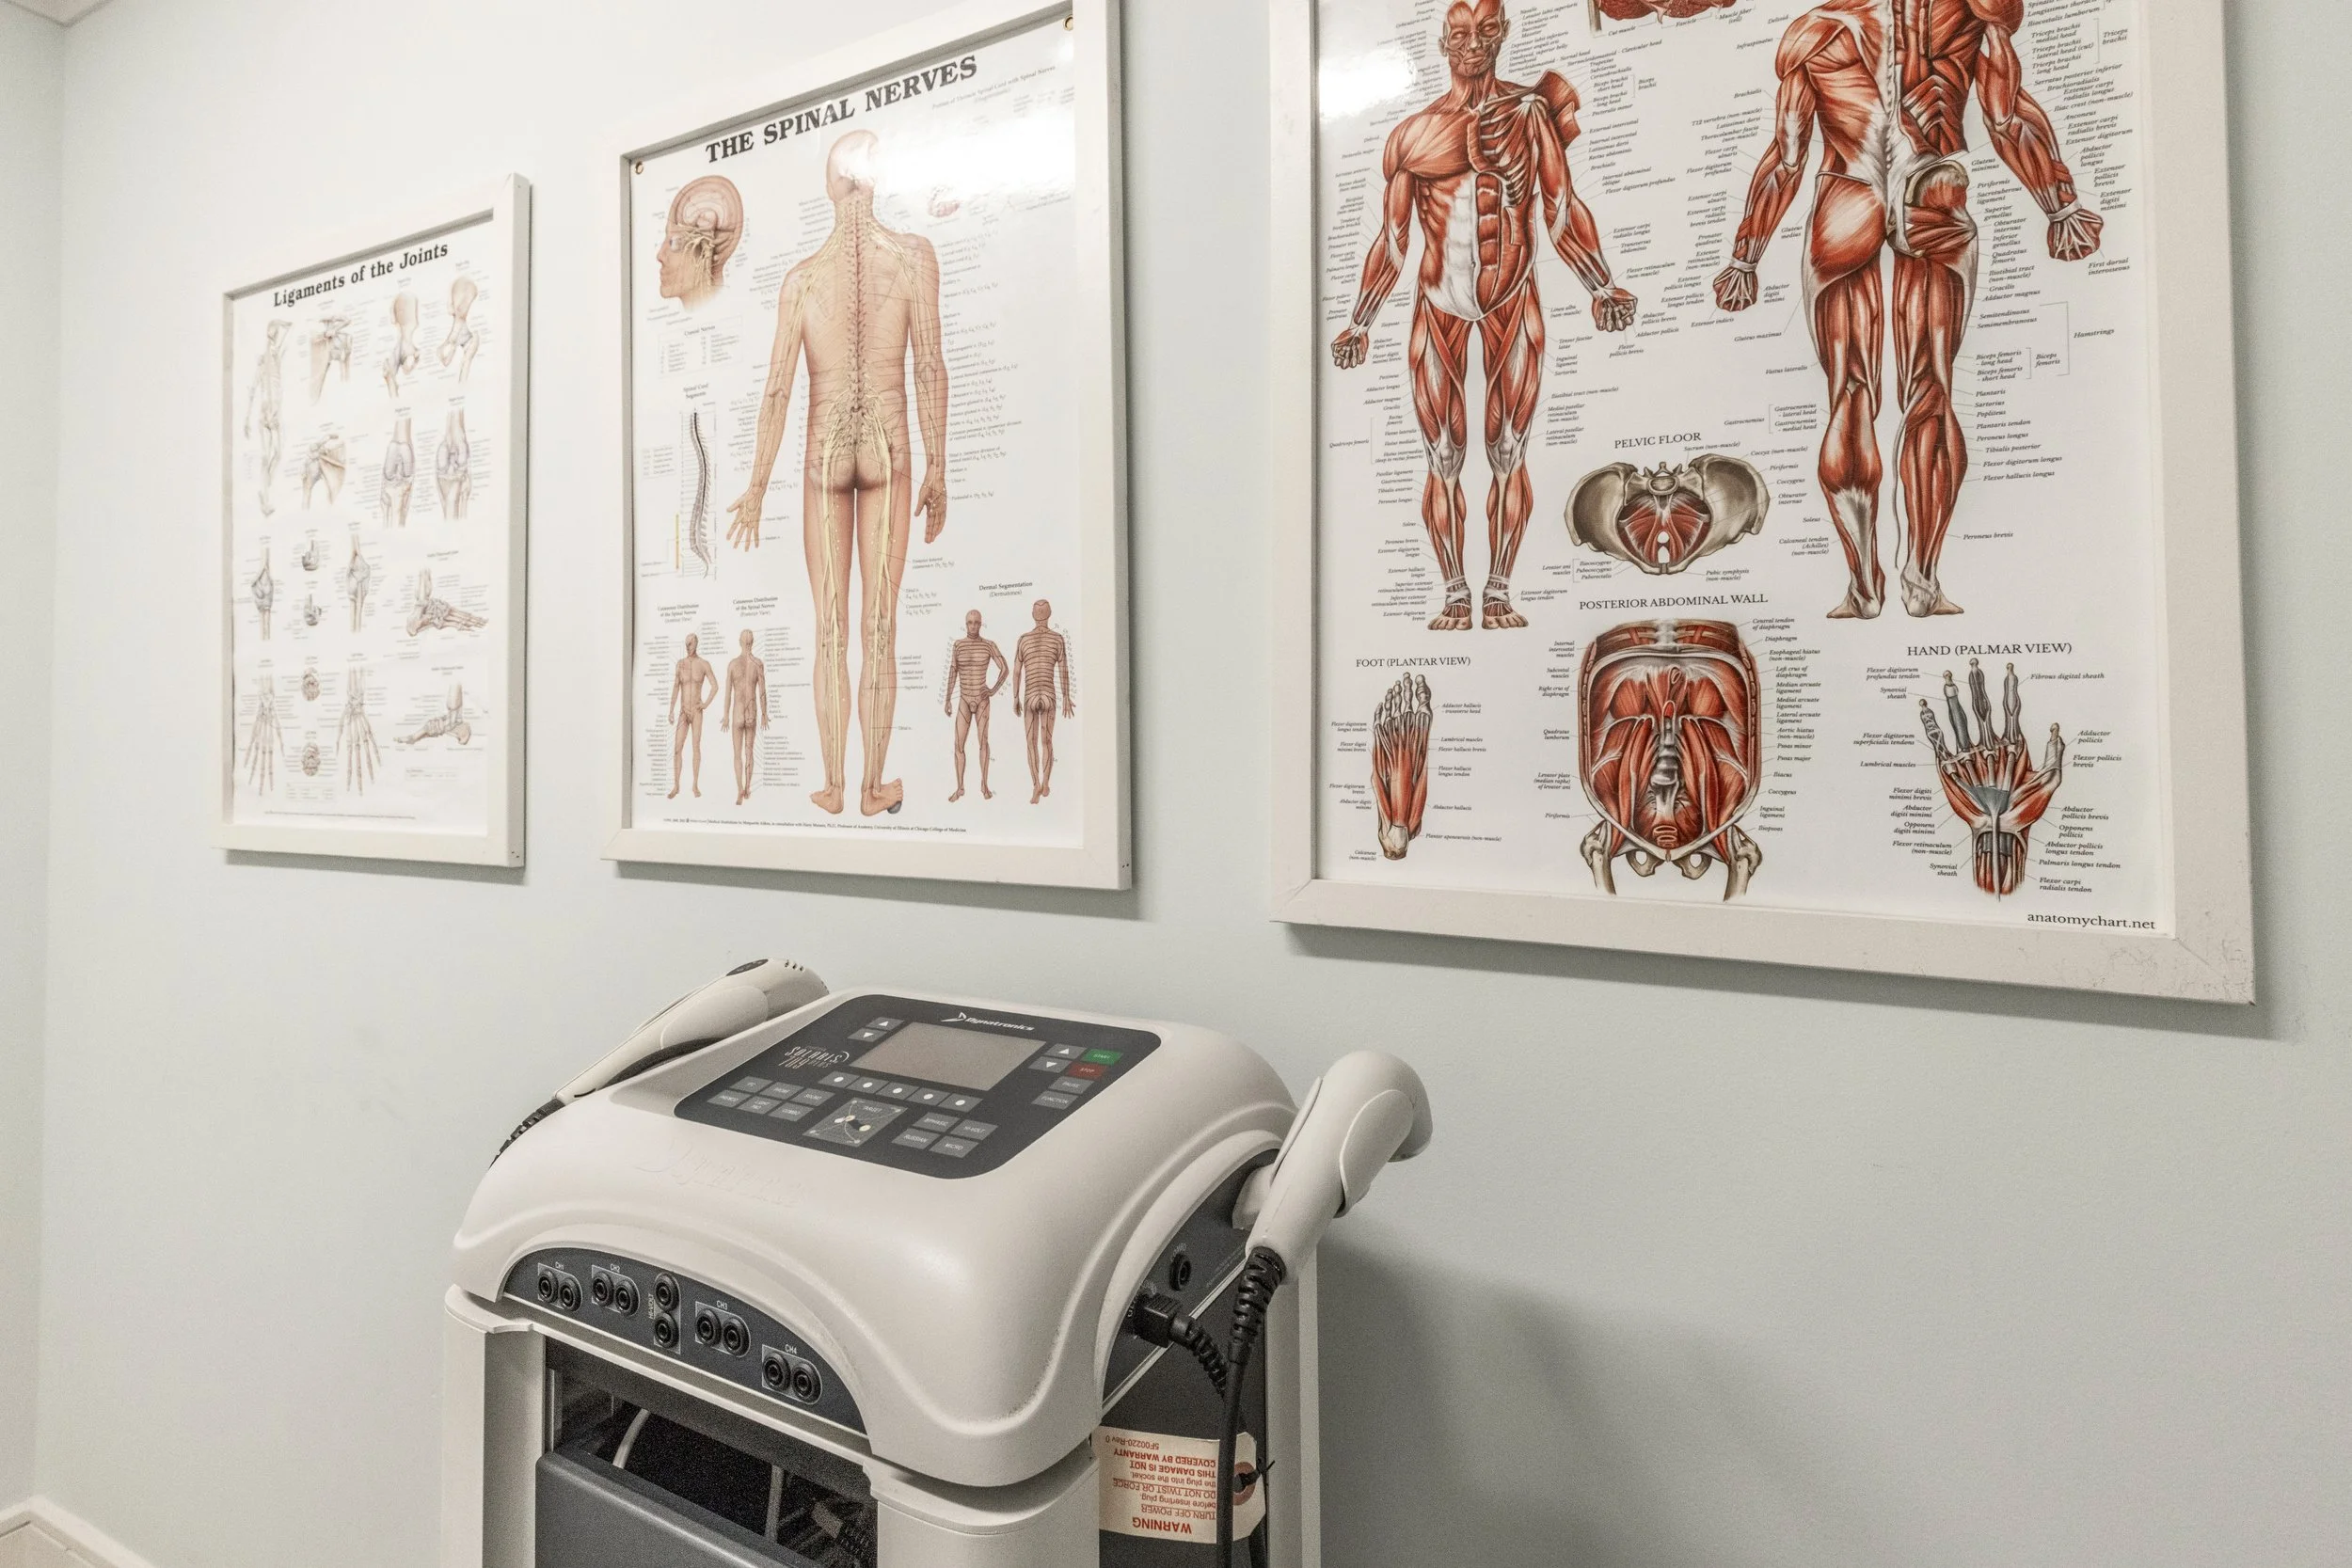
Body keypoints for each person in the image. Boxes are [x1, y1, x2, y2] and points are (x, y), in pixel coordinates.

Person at [1713, 0, 2102, 618]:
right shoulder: (1973, 15)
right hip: (1931, 194)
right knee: (1933, 389)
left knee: (1850, 393)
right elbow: (2006, 119)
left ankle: (1865, 585)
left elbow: (1787, 160)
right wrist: (2059, 205)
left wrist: (1745, 256)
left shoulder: (1820, 30)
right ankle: (1920, 580)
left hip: (1849, 204)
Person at [1332, 0, 1636, 631]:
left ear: (1504, 35)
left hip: (1512, 294)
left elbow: (1559, 208)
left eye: (1487, 31)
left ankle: (1497, 588)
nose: (1474, 44)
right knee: (1443, 454)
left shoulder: (1531, 116)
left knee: (1507, 449)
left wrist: (1600, 285)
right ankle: (1452, 591)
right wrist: (1360, 320)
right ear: (1444, 41)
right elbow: (1392, 241)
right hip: (1439, 300)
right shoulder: (1413, 135)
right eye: (1462, 33)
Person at [728, 131, 948, 817]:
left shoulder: (803, 279)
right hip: (888, 445)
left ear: (830, 187)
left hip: (826, 449)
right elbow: (928, 365)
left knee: (832, 627)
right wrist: (939, 461)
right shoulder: (913, 258)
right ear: (875, 182)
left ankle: (829, 782)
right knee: (879, 624)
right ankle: (873, 786)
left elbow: (776, 392)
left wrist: (757, 486)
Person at [1010, 600, 1074, 804]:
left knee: (1031, 743)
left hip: (1030, 695)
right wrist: (1066, 697)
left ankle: (1036, 785)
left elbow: (1018, 671)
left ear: (1032, 615)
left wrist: (1015, 697)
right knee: (1046, 741)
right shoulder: (1057, 639)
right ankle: (1046, 783)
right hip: (1048, 694)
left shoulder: (1023, 639)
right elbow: (1063, 670)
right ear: (1050, 614)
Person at [942, 610, 1009, 802]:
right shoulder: (958, 645)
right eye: (970, 622)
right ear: (965, 623)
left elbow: (1004, 668)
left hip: (982, 700)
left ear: (981, 624)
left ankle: (984, 785)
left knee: (983, 743)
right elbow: (953, 673)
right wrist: (947, 699)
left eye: (976, 622)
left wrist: (993, 690)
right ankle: (960, 787)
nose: (973, 626)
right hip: (964, 698)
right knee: (958, 745)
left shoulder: (988, 645)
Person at [723, 629, 771, 806]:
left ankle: (739, 791)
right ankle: (748, 787)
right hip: (751, 712)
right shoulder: (758, 664)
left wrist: (726, 716)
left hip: (737, 712)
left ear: (740, 642)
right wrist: (765, 714)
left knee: (737, 754)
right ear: (753, 642)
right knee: (749, 751)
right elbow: (762, 692)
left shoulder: (733, 664)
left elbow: (728, 693)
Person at [668, 634, 717, 800]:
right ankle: (676, 785)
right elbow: (676, 687)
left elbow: (715, 686)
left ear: (696, 643)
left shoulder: (703, 664)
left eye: (691, 643)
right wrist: (671, 709)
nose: (688, 646)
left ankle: (695, 785)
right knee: (677, 749)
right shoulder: (680, 664)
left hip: (696, 711)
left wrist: (705, 704)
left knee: (696, 746)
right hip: (683, 711)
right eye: (686, 643)